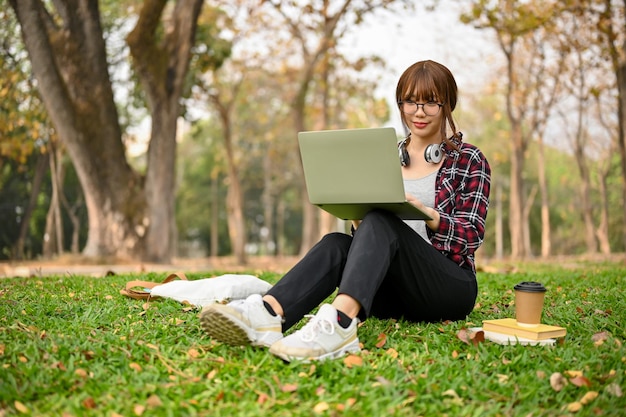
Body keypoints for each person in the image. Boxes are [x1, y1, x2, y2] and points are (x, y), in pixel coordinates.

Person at [199, 60, 491, 362]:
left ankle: (339, 325)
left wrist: (427, 214)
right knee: (336, 243)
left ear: (447, 105)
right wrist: (357, 215)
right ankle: (270, 313)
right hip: (389, 294)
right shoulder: (386, 155)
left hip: (447, 289)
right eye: (410, 102)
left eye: (431, 102)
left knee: (381, 219)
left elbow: (470, 237)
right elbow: (371, 243)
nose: (418, 112)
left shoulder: (468, 160)